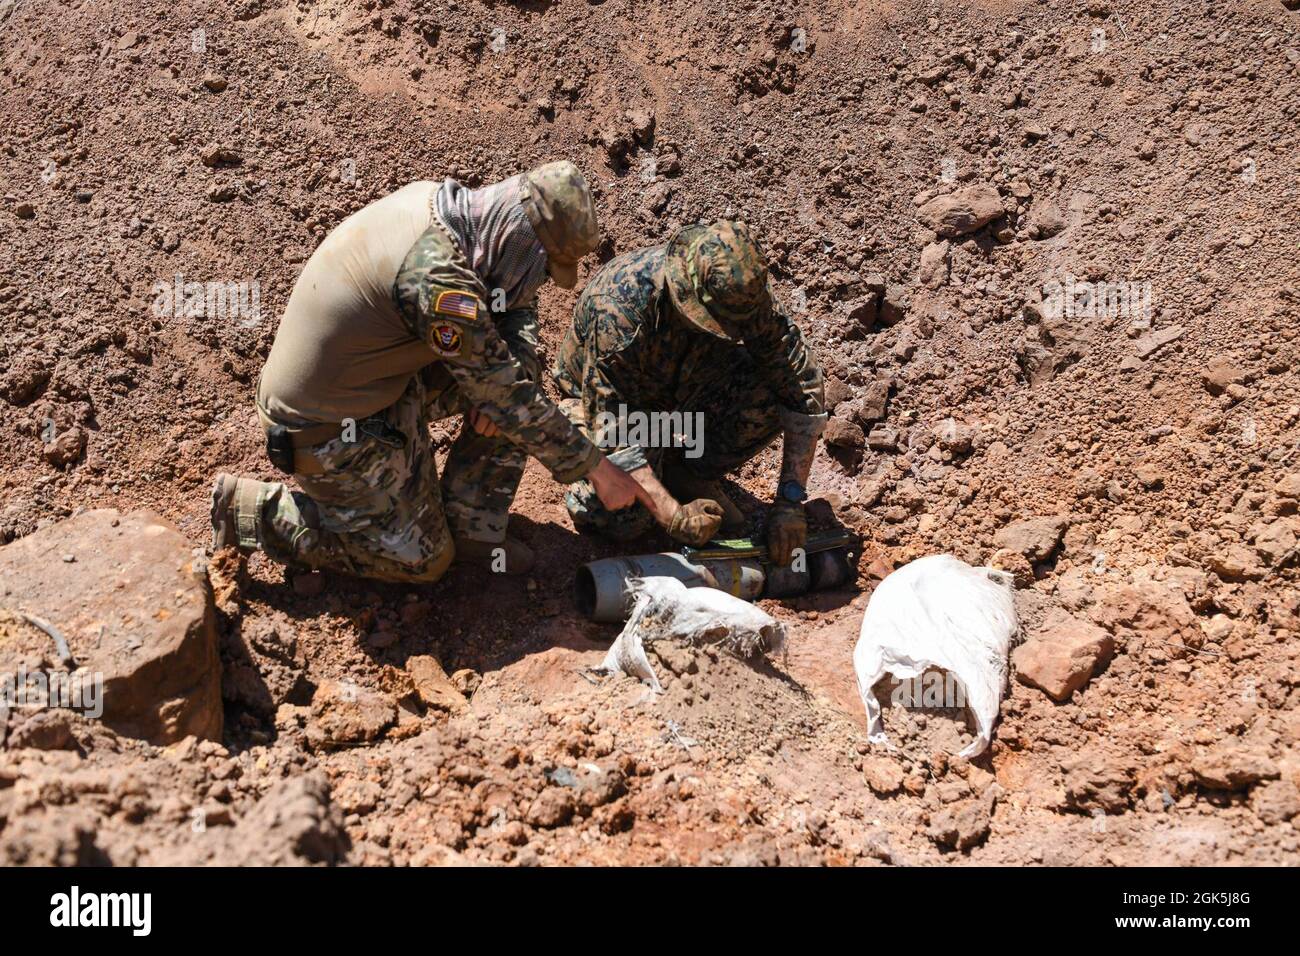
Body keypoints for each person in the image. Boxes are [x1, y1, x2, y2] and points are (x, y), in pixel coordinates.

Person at [210, 161, 650, 581]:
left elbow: (515, 317)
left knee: (516, 381)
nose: (539, 284)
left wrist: (507, 372)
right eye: (543, 270)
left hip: (378, 386)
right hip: (321, 426)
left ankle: (473, 531)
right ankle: (256, 512)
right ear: (523, 243)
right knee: (423, 562)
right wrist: (598, 471)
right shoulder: (438, 281)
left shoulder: (457, 216)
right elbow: (506, 396)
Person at [553, 219, 827, 564]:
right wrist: (673, 517)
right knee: (623, 519)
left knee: (770, 393)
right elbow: (614, 430)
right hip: (613, 409)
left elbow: (800, 385)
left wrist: (790, 501)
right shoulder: (622, 307)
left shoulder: (743, 298)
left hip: (679, 404)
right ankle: (577, 439)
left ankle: (685, 470)